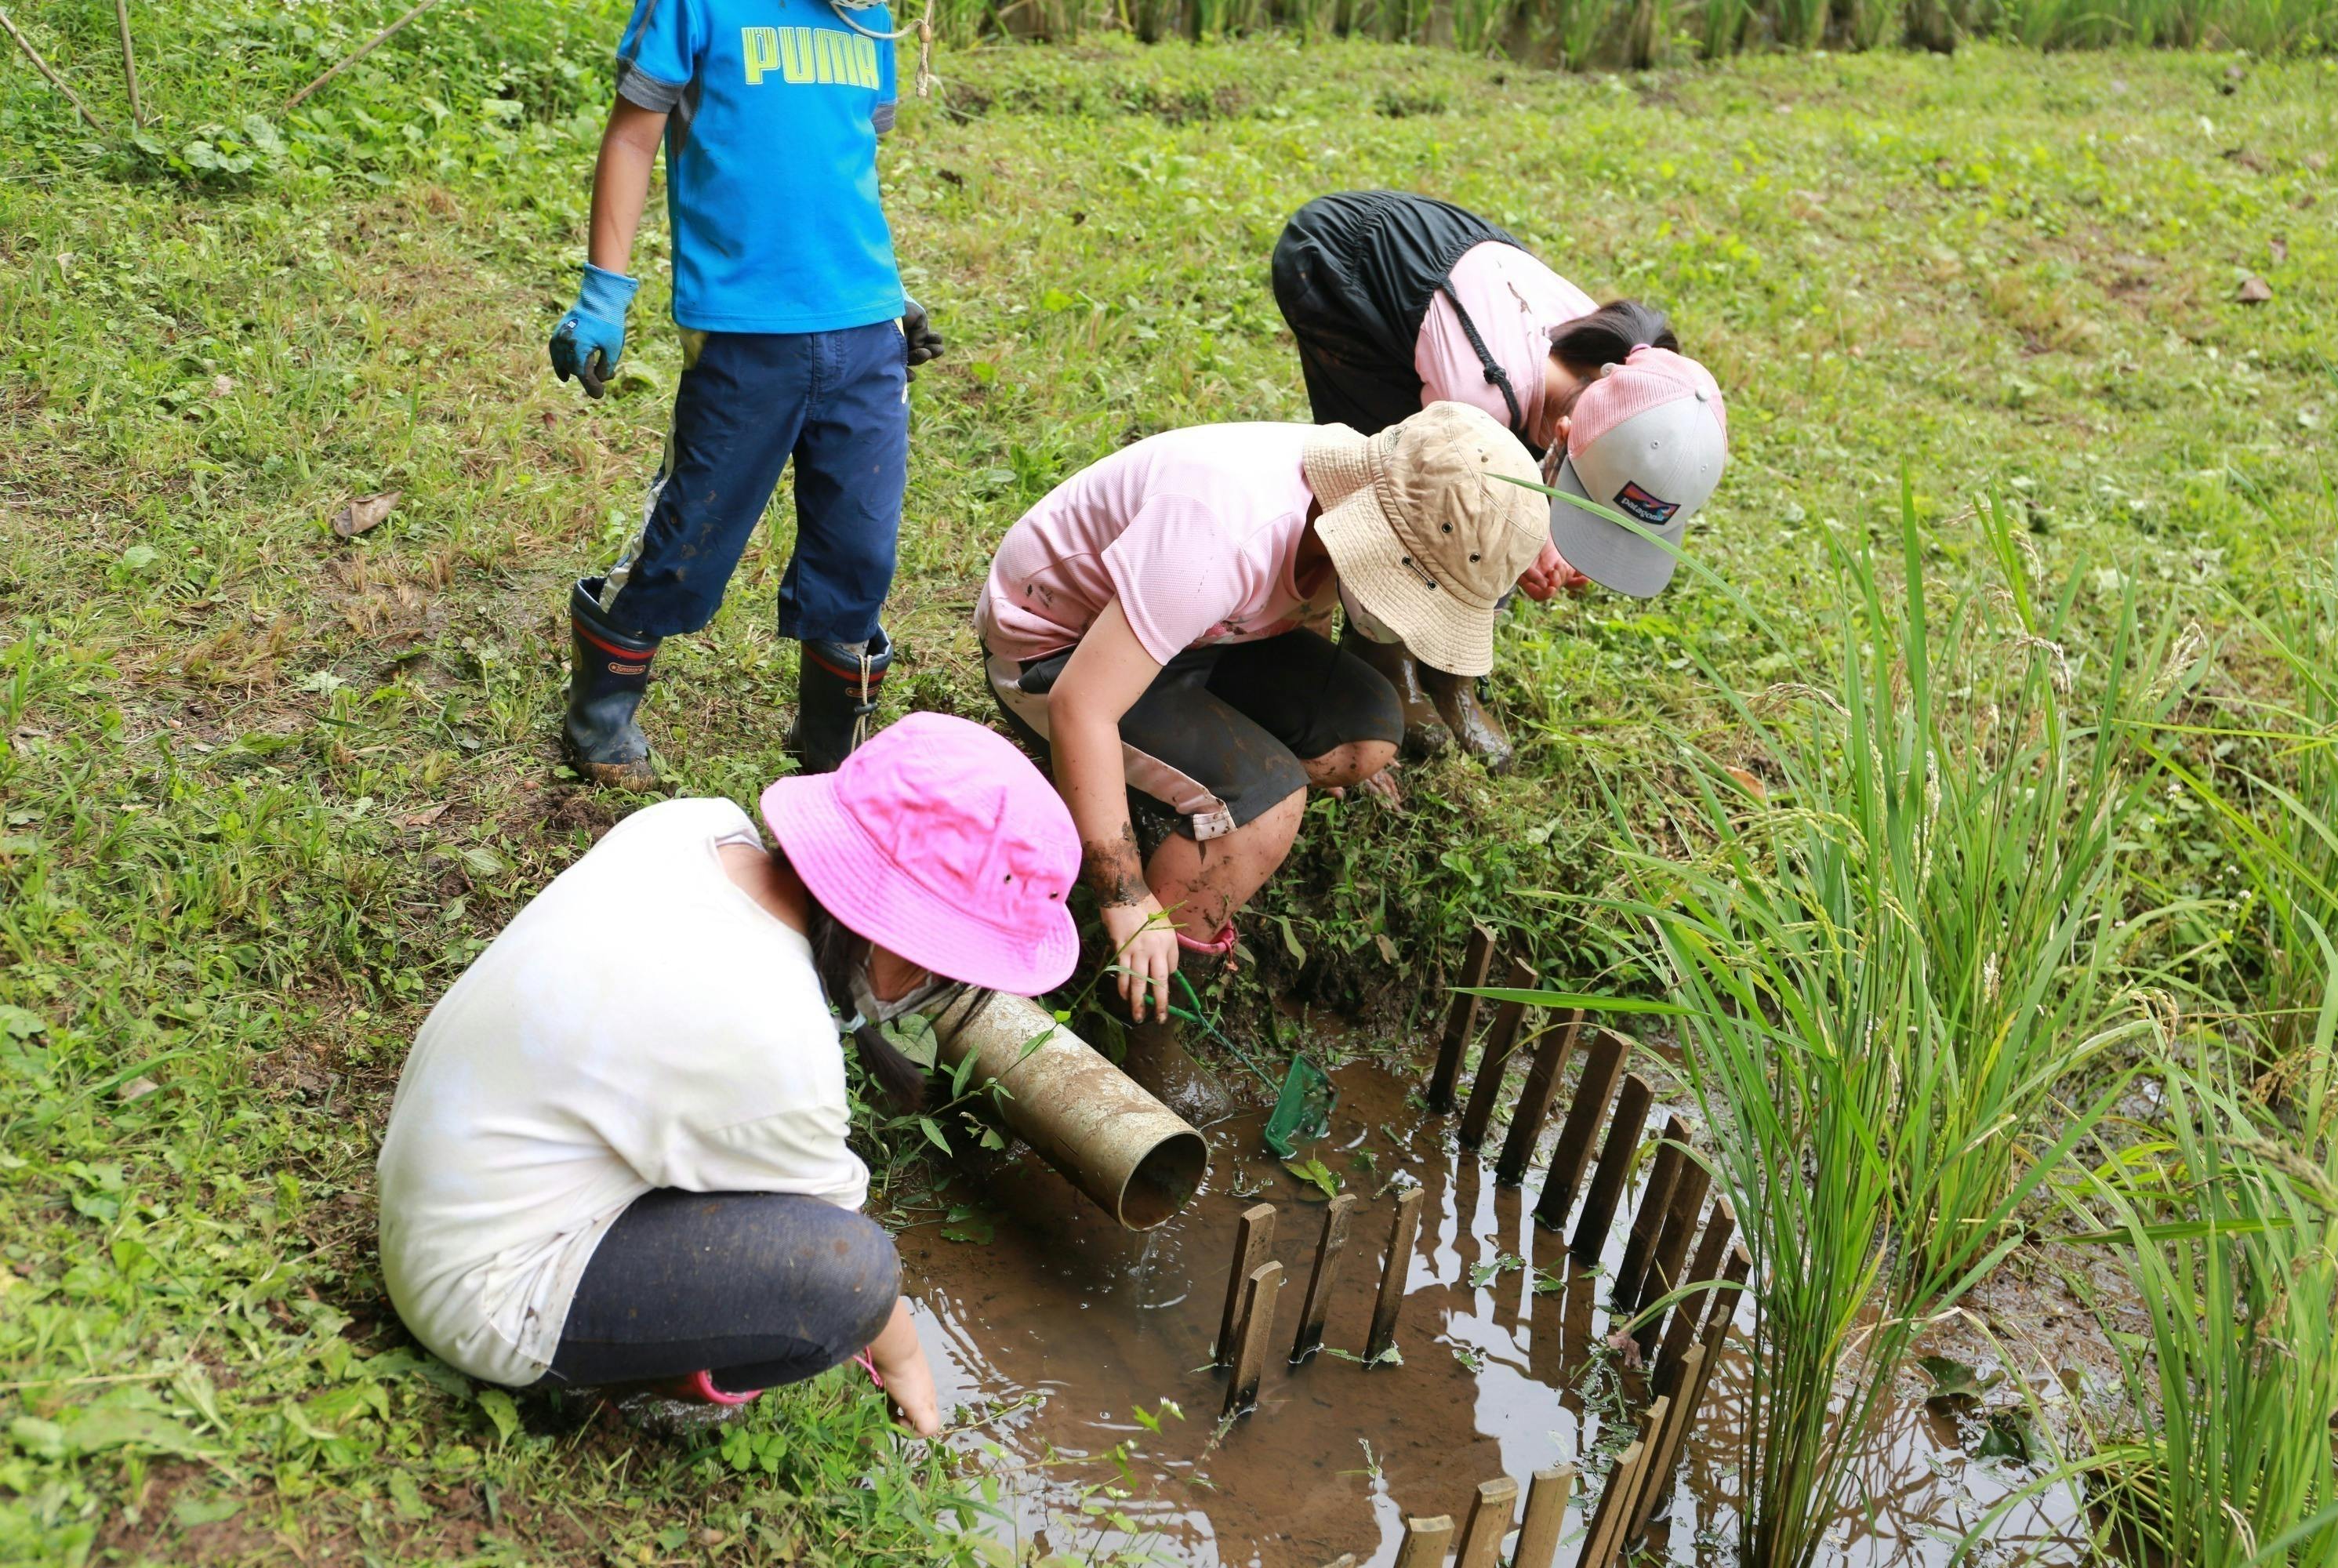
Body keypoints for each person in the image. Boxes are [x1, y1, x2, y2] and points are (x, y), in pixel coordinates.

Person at [376, 713, 1081, 1433]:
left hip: (446, 1175)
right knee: (852, 1277)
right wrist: (904, 1363)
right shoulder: (778, 1038)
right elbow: (837, 1239)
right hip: (482, 1292)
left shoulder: (696, 827)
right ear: (915, 944)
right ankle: (654, 1378)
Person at [975, 401, 1547, 1070]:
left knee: (1366, 736)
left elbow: (1294, 614)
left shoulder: (1371, 495)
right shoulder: (1223, 532)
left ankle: (1190, 816)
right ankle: (1150, 1015)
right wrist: (1126, 902)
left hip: (1196, 634)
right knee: (1267, 805)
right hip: (1058, 654)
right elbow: (1082, 708)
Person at [548, 0, 949, 787]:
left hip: (864, 336)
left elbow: (843, 163)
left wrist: (882, 294)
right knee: (689, 535)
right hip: (739, 337)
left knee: (860, 550)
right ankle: (600, 719)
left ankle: (831, 742)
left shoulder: (874, 24)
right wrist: (604, 290)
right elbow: (633, 135)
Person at [1271, 190, 1728, 769]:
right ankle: (1380, 659)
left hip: (1448, 297)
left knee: (1496, 502)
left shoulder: (1623, 377)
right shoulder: (1480, 394)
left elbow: (1550, 474)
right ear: (1564, 432)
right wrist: (1532, 535)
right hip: (1341, 267)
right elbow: (1432, 498)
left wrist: (1552, 538)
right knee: (1421, 498)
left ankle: (1449, 669)